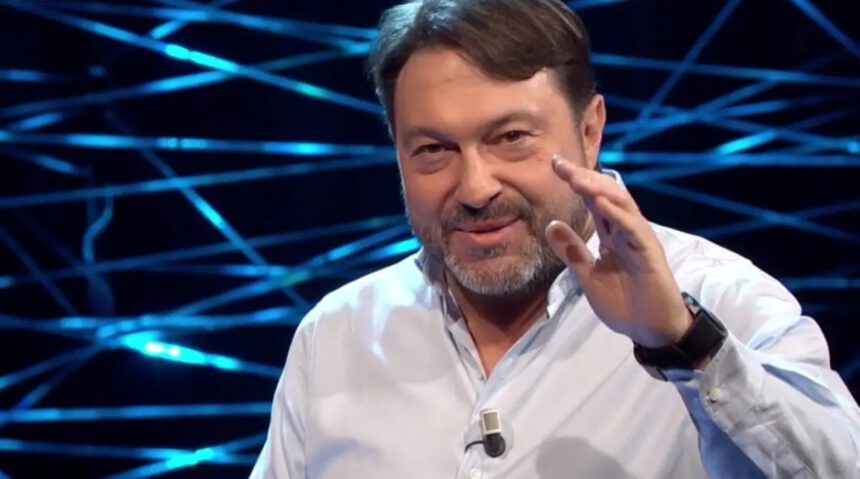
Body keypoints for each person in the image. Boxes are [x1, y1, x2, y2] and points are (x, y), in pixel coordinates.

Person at [251, 0, 860, 477]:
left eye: (511, 138)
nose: (475, 187)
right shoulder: (338, 335)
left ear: (590, 131)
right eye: (434, 149)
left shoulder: (722, 300)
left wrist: (684, 343)